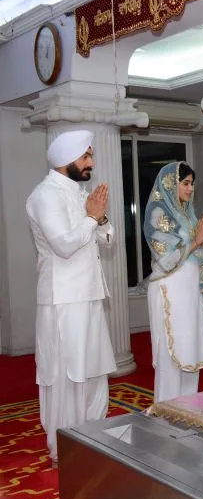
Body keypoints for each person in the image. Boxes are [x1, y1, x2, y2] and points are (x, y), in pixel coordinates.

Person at [26, 130, 117, 466]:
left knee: (93, 370)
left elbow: (107, 239)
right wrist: (91, 217)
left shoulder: (78, 193)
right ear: (67, 160)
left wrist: (98, 216)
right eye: (86, 157)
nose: (91, 163)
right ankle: (63, 448)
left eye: (91, 156)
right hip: (63, 299)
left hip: (89, 295)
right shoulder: (45, 195)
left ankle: (93, 439)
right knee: (67, 374)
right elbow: (63, 245)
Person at [144, 162, 203, 402]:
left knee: (191, 354)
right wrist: (197, 241)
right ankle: (167, 415)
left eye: (192, 184)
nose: (190, 189)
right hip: (170, 292)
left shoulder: (186, 215)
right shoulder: (158, 215)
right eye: (185, 183)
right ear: (170, 184)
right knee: (172, 356)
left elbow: (194, 253)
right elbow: (166, 259)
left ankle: (190, 412)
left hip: (189, 294)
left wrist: (198, 240)